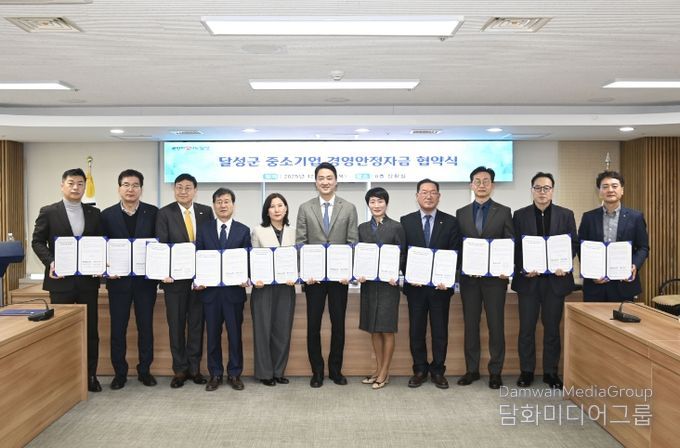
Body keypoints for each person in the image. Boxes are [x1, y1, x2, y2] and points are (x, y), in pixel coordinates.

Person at [31, 168, 104, 392]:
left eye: (80, 183)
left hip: (87, 282)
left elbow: (100, 243)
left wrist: (100, 263)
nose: (76, 187)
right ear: (62, 185)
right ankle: (63, 377)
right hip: (61, 281)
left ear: (84, 187)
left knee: (90, 330)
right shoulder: (48, 212)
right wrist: (51, 262)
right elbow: (37, 242)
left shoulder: (94, 213)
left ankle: (91, 375)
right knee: (61, 329)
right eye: (71, 183)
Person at [511, 172, 578, 389]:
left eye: (546, 188)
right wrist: (524, 267)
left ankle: (551, 372)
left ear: (552, 191)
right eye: (538, 188)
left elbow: (573, 244)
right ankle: (526, 371)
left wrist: (564, 264)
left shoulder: (566, 215)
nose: (542, 192)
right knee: (526, 329)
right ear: (531, 190)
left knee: (552, 329)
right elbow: (514, 246)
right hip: (528, 282)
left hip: (555, 283)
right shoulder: (519, 215)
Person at [296, 162, 358, 388]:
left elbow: (353, 243)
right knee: (313, 326)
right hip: (314, 279)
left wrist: (348, 272)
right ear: (315, 182)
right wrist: (306, 272)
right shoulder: (305, 208)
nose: (325, 182)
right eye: (321, 178)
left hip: (339, 279)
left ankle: (335, 370)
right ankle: (317, 371)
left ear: (336, 181)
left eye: (329, 178)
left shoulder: (348, 208)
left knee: (338, 325)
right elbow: (301, 243)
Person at [456, 166, 514, 390]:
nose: (481, 185)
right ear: (471, 185)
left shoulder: (504, 211)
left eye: (486, 181)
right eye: (477, 181)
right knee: (471, 325)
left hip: (495, 281)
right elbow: (458, 247)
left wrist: (507, 267)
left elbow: (509, 243)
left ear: (492, 185)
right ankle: (471, 370)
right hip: (469, 280)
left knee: (495, 326)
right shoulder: (461, 213)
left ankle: (495, 371)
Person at [100, 169, 159, 390]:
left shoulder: (153, 213)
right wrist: (105, 270)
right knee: (118, 329)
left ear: (141, 189)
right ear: (119, 188)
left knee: (146, 328)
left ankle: (145, 370)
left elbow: (160, 245)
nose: (130, 189)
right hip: (118, 282)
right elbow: (101, 247)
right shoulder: (106, 215)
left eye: (135, 185)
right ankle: (120, 373)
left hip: (145, 282)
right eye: (126, 185)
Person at [400, 179, 460, 389]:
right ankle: (419, 370)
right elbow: (402, 254)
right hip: (415, 288)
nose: (428, 196)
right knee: (416, 330)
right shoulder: (406, 221)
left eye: (433, 192)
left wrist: (448, 278)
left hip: (440, 289)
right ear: (417, 196)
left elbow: (456, 254)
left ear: (439, 196)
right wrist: (409, 274)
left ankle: (438, 370)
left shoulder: (451, 222)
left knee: (439, 331)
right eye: (424, 192)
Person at [156, 173, 213, 388]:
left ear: (195, 191)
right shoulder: (165, 213)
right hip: (175, 282)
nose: (183, 191)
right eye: (179, 187)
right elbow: (161, 246)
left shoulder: (206, 212)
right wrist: (164, 272)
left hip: (199, 281)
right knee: (176, 326)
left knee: (197, 325)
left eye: (188, 187)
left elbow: (209, 244)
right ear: (174, 190)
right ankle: (179, 370)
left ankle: (195, 369)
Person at [195, 187, 251, 391]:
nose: (223, 205)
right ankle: (215, 374)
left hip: (234, 293)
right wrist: (198, 279)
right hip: (210, 293)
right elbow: (198, 257)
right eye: (219, 202)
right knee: (212, 336)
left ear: (233, 205)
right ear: (214, 205)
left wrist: (247, 277)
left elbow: (248, 259)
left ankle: (235, 373)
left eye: (227, 201)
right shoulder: (204, 229)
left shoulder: (243, 230)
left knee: (235, 336)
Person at [357, 187, 405, 390]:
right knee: (374, 329)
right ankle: (378, 369)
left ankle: (385, 372)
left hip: (388, 286)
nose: (376, 205)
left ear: (386, 203)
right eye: (372, 202)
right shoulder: (362, 228)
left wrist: (397, 273)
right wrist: (358, 272)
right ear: (368, 205)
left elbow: (402, 254)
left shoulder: (396, 227)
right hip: (369, 286)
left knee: (387, 329)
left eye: (380, 201)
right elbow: (358, 254)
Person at [578, 171, 649, 302]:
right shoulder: (588, 217)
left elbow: (643, 247)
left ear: (622, 190)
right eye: (605, 187)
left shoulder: (636, 217)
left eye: (614, 186)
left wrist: (634, 265)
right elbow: (581, 247)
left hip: (624, 284)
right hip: (595, 285)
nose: (610, 190)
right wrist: (590, 271)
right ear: (599, 192)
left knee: (622, 316)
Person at [250, 193, 297, 386]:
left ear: (286, 208)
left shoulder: (294, 231)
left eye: (280, 205)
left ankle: (278, 371)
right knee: (263, 331)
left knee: (282, 331)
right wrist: (255, 278)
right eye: (272, 206)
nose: (277, 209)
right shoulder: (258, 231)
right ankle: (265, 373)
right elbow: (253, 259)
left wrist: (297, 275)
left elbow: (299, 259)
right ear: (267, 211)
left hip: (286, 287)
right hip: (263, 288)